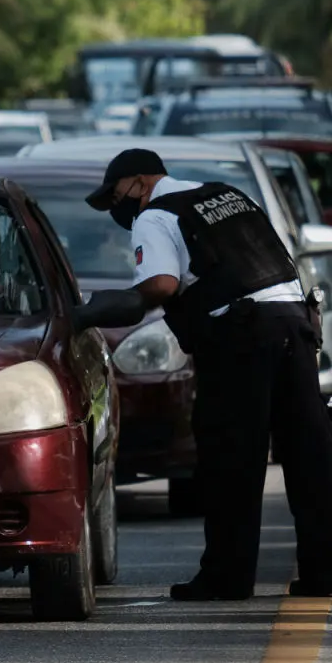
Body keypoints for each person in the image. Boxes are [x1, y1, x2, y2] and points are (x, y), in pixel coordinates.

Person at [84, 147, 332, 601]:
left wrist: (109, 307)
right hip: (295, 327)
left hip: (240, 337)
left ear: (140, 181)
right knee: (309, 455)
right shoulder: (228, 195)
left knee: (231, 457)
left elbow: (161, 284)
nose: (115, 207)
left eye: (115, 194)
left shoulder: (154, 216)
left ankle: (228, 576)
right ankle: (325, 573)